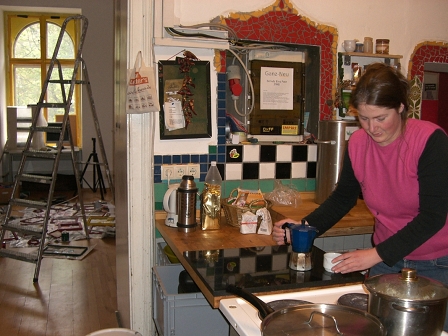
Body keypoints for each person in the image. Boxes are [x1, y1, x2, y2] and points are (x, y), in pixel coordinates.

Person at [272, 63, 448, 331]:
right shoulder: (358, 144)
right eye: (364, 119)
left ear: (401, 107)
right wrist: (302, 229)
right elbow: (343, 198)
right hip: (387, 262)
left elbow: (433, 216)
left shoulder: (430, 141)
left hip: (437, 264)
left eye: (380, 118)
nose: (372, 128)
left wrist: (375, 254)